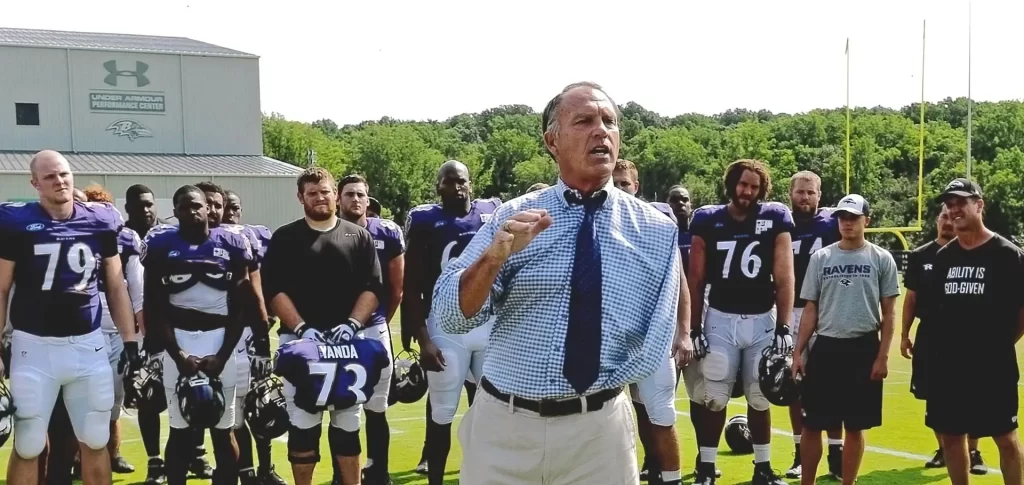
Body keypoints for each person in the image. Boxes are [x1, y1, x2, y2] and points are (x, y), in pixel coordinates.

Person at [433, 82, 684, 484]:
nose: (601, 130)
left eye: (609, 121)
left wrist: (600, 386)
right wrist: (493, 260)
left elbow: (656, 340)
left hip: (598, 436)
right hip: (504, 429)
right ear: (552, 141)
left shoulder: (655, 230)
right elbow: (450, 315)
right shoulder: (512, 218)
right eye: (584, 121)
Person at [0, 149, 140, 485]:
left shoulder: (100, 219)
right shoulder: (16, 222)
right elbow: (1, 289)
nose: (59, 181)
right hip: (33, 346)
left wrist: (130, 341)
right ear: (35, 183)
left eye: (63, 173)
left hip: (87, 346)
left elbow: (116, 284)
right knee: (30, 442)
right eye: (49, 176)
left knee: (95, 439)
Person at [259, 167, 386, 485]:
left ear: (335, 194)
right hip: (302, 342)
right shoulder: (286, 237)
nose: (320, 197)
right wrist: (301, 327)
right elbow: (274, 290)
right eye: (312, 192)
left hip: (346, 342)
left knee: (348, 421)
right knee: (303, 422)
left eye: (325, 191)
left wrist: (353, 324)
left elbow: (373, 287)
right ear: (300, 197)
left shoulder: (358, 236)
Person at [688, 158, 794, 485]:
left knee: (760, 396)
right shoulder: (708, 219)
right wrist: (694, 327)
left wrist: (784, 327)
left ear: (762, 190)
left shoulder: (774, 218)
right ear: (732, 183)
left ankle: (762, 467)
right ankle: (706, 467)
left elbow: (785, 277)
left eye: (754, 186)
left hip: (762, 318)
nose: (747, 191)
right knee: (715, 395)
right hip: (720, 317)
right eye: (743, 184)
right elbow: (695, 278)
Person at [142, 184, 253, 485]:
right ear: (175, 212)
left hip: (221, 339)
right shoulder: (161, 245)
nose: (193, 211)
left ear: (208, 207)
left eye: (197, 205)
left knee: (223, 428)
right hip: (178, 340)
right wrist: (177, 355)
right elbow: (155, 305)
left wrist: (224, 354)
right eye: (184, 206)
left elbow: (242, 307)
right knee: (179, 429)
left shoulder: (232, 242)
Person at [402, 160, 501, 485]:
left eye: (462, 181)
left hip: (487, 325)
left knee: (492, 411)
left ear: (470, 183)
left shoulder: (491, 213)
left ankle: (484, 476)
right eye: (449, 182)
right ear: (439, 187)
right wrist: (421, 337)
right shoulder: (425, 220)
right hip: (445, 328)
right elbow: (412, 285)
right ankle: (436, 479)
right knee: (442, 412)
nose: (457, 187)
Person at [790, 194, 899, 485]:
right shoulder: (822, 257)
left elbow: (889, 314)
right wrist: (798, 352)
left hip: (863, 347)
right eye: (842, 217)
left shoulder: (881, 258)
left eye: (853, 217)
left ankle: (847, 482)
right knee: (812, 423)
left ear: (867, 220)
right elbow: (810, 308)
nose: (847, 223)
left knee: (855, 425)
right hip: (826, 346)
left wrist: (883, 356)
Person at [923, 178, 1024, 485]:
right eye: (950, 205)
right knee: (952, 437)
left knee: (1005, 438)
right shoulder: (943, 258)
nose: (954, 210)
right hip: (949, 366)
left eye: (961, 203)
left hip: (993, 367)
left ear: (979, 205)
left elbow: (1022, 312)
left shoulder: (1007, 254)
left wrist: (996, 344)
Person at [612, 159, 689, 485]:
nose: (618, 190)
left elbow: (680, 282)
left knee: (661, 414)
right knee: (607, 417)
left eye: (624, 184)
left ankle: (669, 478)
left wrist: (683, 331)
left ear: (636, 186)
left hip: (653, 335)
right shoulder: (588, 220)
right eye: (612, 184)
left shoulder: (656, 224)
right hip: (609, 338)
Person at [901, 205, 988, 474]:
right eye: (943, 217)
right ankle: (944, 448)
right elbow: (911, 298)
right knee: (933, 395)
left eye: (952, 217)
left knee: (972, 393)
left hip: (967, 336)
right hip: (931, 335)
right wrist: (904, 334)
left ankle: (973, 451)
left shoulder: (976, 252)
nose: (948, 222)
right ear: (936, 220)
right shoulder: (921, 255)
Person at [337, 174, 405, 485]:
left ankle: (379, 470)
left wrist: (379, 321)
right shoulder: (326, 231)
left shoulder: (387, 232)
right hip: (336, 333)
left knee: (377, 407)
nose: (354, 199)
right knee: (339, 405)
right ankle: (342, 475)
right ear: (339, 199)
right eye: (348, 194)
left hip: (374, 328)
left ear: (368, 199)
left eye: (359, 194)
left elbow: (396, 288)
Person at [221, 188, 287, 485]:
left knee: (262, 403)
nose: (230, 212)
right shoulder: (213, 241)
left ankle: (266, 468)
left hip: (253, 334)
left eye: (235, 206)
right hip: (226, 335)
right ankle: (245, 469)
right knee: (234, 410)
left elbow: (271, 279)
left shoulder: (256, 236)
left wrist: (268, 318)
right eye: (225, 207)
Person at [83, 184, 145, 475]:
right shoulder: (75, 234)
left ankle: (114, 452)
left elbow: (136, 288)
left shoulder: (125, 239)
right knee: (83, 398)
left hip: (119, 331)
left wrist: (139, 335)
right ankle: (76, 456)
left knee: (114, 399)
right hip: (86, 328)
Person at [785, 171, 843, 480]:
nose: (805, 197)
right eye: (800, 192)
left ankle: (836, 453)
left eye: (810, 192)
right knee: (794, 387)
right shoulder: (781, 221)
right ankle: (799, 453)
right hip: (789, 311)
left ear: (819, 195)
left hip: (825, 313)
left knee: (830, 386)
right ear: (790, 194)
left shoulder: (832, 221)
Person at [122, 184, 177, 485]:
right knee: (146, 397)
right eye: (139, 205)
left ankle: (192, 453)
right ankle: (155, 461)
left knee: (184, 393)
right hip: (139, 330)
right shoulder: (120, 238)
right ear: (128, 208)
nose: (146, 210)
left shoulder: (170, 235)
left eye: (150, 204)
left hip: (174, 327)